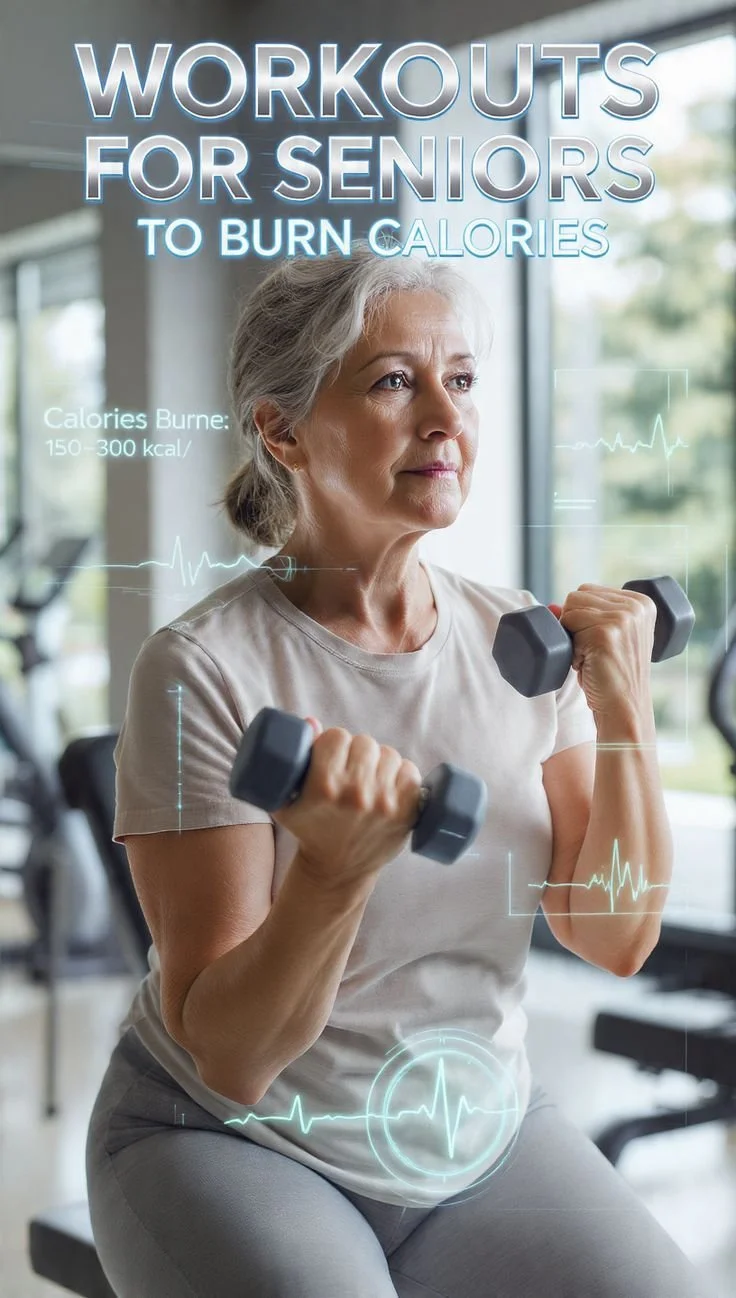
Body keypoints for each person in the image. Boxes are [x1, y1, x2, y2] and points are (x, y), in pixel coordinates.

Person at [86, 243, 711, 1298]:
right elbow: (232, 1052)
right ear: (281, 430)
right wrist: (329, 875)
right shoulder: (202, 670)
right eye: (392, 380)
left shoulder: (520, 639)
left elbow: (610, 931)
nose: (445, 416)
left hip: (472, 1129)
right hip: (229, 1137)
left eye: (459, 379)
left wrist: (623, 710)